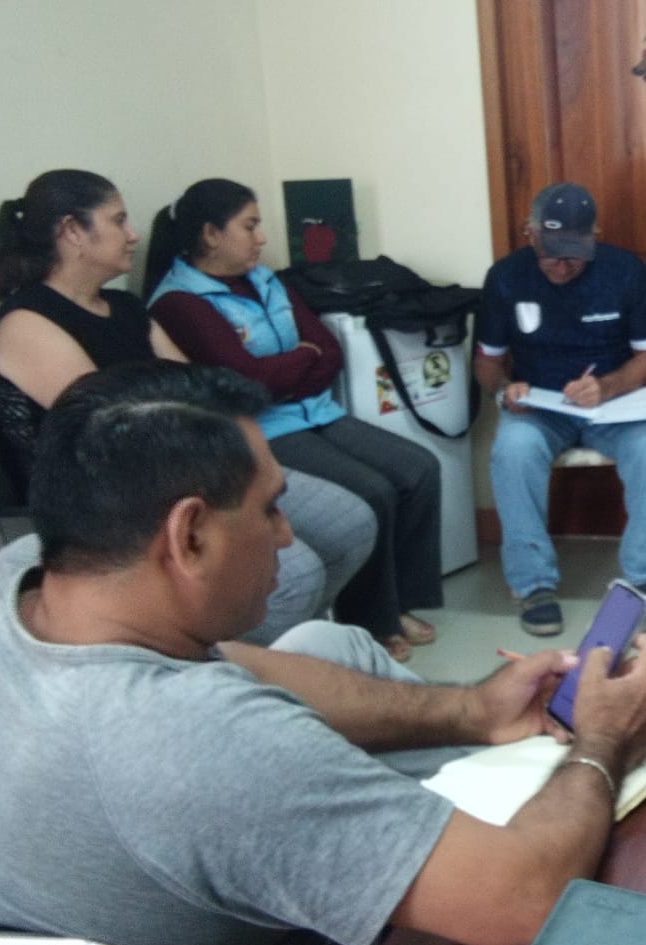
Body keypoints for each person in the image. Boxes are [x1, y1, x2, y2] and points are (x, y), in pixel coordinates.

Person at [0, 362, 646, 945]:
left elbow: (240, 663)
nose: (287, 536)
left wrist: (472, 710)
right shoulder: (204, 744)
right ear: (190, 535)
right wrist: (604, 739)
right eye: (269, 509)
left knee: (324, 646)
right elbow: (525, 902)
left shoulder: (16, 580)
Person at [0, 168, 373, 645]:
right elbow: (113, 433)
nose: (133, 234)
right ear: (72, 232)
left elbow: (197, 390)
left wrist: (238, 455)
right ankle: (225, 664)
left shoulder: (125, 308)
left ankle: (275, 648)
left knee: (350, 522)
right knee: (295, 573)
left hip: (180, 467)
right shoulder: (25, 323)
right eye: (118, 220)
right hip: (113, 498)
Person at [146, 178, 441, 660]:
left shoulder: (266, 279)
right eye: (250, 226)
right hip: (262, 428)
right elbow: (245, 381)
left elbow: (329, 350)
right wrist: (299, 362)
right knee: (372, 490)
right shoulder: (179, 302)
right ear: (212, 234)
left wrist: (287, 371)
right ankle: (371, 621)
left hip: (316, 409)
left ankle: (399, 601)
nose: (261, 238)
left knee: (419, 467)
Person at [473, 182, 646, 636]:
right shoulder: (506, 277)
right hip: (541, 406)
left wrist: (607, 386)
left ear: (594, 237)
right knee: (513, 450)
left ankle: (641, 581)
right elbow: (486, 362)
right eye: (552, 254)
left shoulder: (625, 271)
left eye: (574, 255)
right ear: (529, 233)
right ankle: (534, 586)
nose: (562, 266)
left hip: (614, 404)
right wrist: (505, 388)